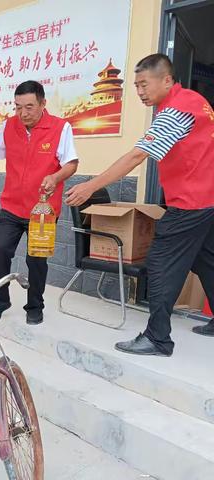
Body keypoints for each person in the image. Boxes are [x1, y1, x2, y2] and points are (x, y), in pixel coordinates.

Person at [66, 53, 214, 357]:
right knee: (206, 260)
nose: (140, 91)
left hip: (191, 203)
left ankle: (158, 338)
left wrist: (91, 186)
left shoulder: (175, 111)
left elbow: (137, 155)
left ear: (167, 80)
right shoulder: (195, 100)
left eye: (144, 84)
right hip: (207, 200)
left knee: (159, 262)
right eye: (135, 86)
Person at [0, 80, 79, 325]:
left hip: (43, 211)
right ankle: (0, 301)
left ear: (43, 103)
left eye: (29, 107)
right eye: (17, 107)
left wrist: (55, 177)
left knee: (36, 259)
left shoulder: (60, 128)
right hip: (12, 206)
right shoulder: (9, 126)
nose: (22, 113)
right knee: (0, 250)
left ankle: (35, 305)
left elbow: (71, 163)